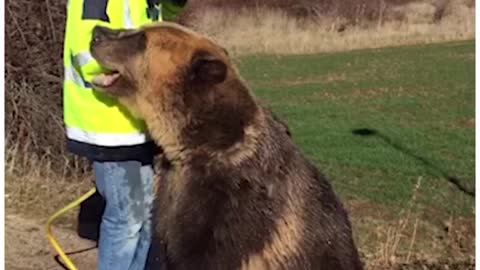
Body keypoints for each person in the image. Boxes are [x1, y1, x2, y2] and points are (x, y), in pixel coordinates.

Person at [62, 1, 187, 269]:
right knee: (127, 217)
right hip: (109, 127)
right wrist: (116, 76)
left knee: (145, 216)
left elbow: (169, 19)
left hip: (137, 126)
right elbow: (85, 49)